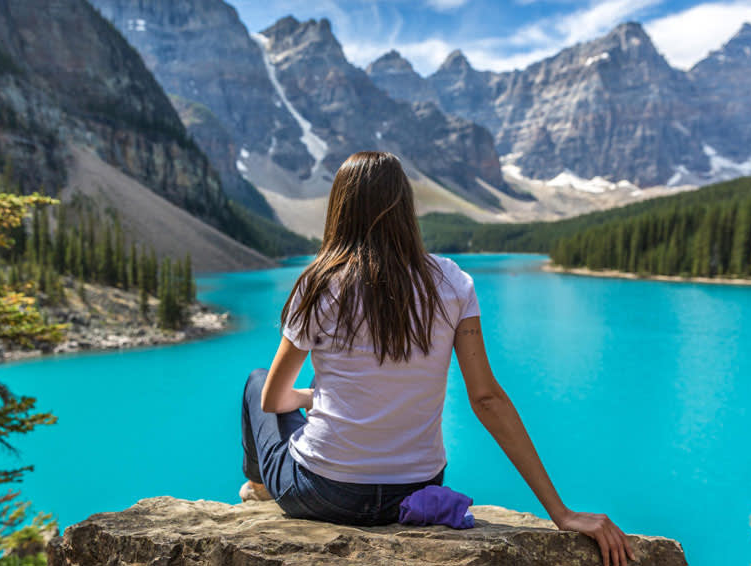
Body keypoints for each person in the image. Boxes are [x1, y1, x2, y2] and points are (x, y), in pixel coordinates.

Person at [240, 151, 636, 566]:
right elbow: (486, 399)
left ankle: (259, 485)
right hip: (415, 491)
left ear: (340, 209)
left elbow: (272, 401)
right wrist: (561, 512)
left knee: (255, 380)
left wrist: (312, 398)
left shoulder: (318, 283)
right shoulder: (452, 281)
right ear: (405, 207)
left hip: (323, 492)